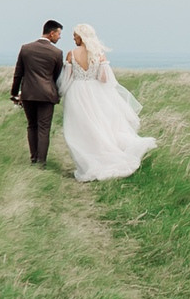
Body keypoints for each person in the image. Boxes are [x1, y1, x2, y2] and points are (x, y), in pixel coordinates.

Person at [58, 23, 158, 182]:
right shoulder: (98, 54)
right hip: (95, 92)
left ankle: (88, 163)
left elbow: (67, 79)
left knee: (81, 129)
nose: (73, 37)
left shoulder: (71, 54)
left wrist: (61, 93)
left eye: (75, 35)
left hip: (77, 93)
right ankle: (104, 155)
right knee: (100, 125)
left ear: (81, 36)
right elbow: (104, 78)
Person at [9, 19, 66, 165]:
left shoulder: (26, 48)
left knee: (32, 125)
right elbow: (57, 76)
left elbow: (18, 73)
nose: (59, 37)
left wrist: (14, 93)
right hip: (47, 94)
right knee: (44, 128)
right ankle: (41, 161)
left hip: (28, 93)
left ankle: (34, 158)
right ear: (51, 33)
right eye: (58, 34)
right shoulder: (57, 53)